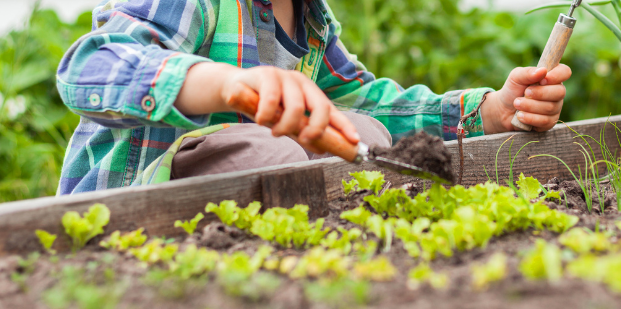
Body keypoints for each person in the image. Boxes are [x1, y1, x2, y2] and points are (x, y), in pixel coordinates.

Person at [55, 0, 573, 195]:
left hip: (255, 196)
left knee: (363, 135)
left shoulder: (312, 21)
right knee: (274, 155)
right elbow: (88, 66)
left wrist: (490, 111)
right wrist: (226, 84)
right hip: (133, 204)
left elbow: (370, 106)